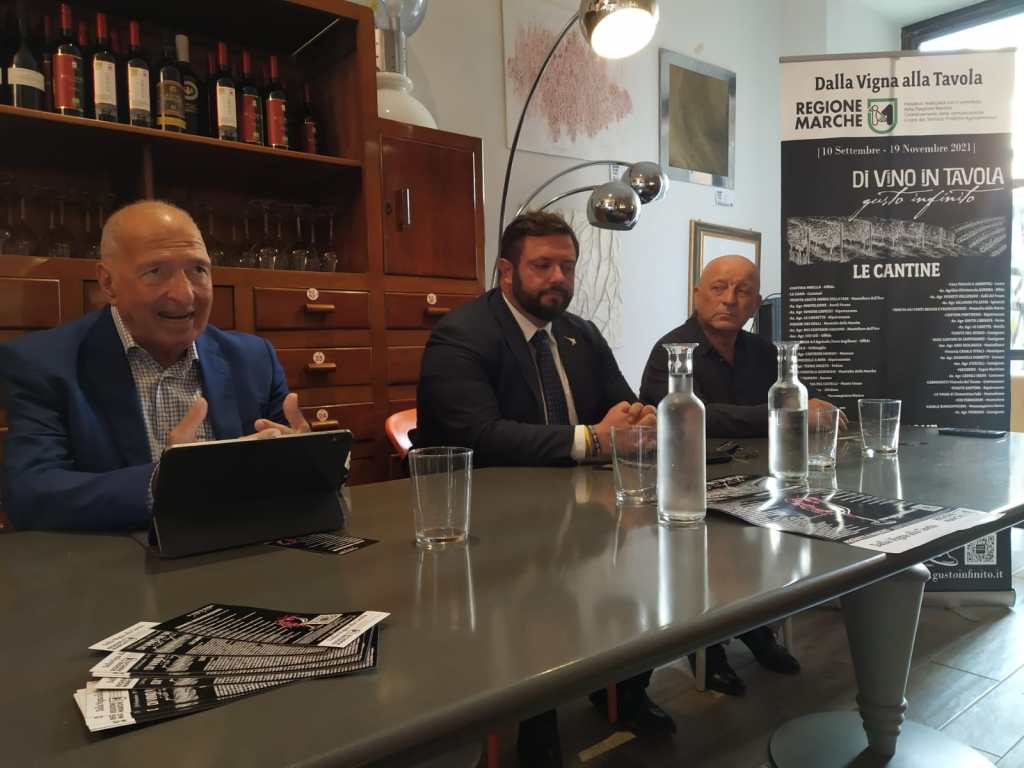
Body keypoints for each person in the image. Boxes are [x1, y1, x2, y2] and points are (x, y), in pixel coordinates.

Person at [417, 211, 670, 765]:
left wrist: (639, 419)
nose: (559, 277)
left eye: (568, 266)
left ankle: (626, 691)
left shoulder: (582, 334)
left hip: (584, 508)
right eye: (543, 265)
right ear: (506, 271)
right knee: (538, 604)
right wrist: (594, 439)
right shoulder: (462, 335)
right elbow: (478, 436)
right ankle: (538, 719)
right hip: (493, 521)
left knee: (650, 572)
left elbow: (623, 405)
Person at [0, 201, 309, 531]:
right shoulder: (42, 363)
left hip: (241, 550)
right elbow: (31, 495)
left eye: (198, 270)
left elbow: (287, 470)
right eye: (156, 272)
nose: (184, 294)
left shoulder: (253, 358)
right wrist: (162, 481)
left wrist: (305, 460)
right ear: (108, 283)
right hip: (117, 558)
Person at [639, 254, 847, 696]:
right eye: (718, 287)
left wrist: (812, 407)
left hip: (760, 484)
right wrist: (780, 413)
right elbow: (695, 419)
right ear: (697, 294)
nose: (730, 299)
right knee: (703, 563)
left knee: (767, 556)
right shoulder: (670, 352)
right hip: (693, 490)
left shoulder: (763, 352)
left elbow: (803, 402)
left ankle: (756, 629)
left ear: (755, 304)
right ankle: (707, 647)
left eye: (743, 291)